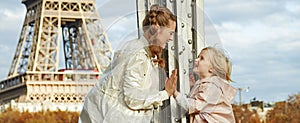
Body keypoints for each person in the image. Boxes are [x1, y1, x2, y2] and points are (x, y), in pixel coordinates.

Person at [79, 4, 177, 123]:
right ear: (157, 29)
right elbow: (132, 98)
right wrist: (165, 93)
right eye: (170, 33)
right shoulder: (139, 55)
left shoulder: (134, 47)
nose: (171, 38)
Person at [173, 47, 237, 123]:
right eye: (197, 57)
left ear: (212, 69)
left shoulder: (212, 87)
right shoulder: (206, 84)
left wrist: (175, 93)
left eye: (202, 58)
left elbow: (195, 106)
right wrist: (193, 87)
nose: (196, 60)